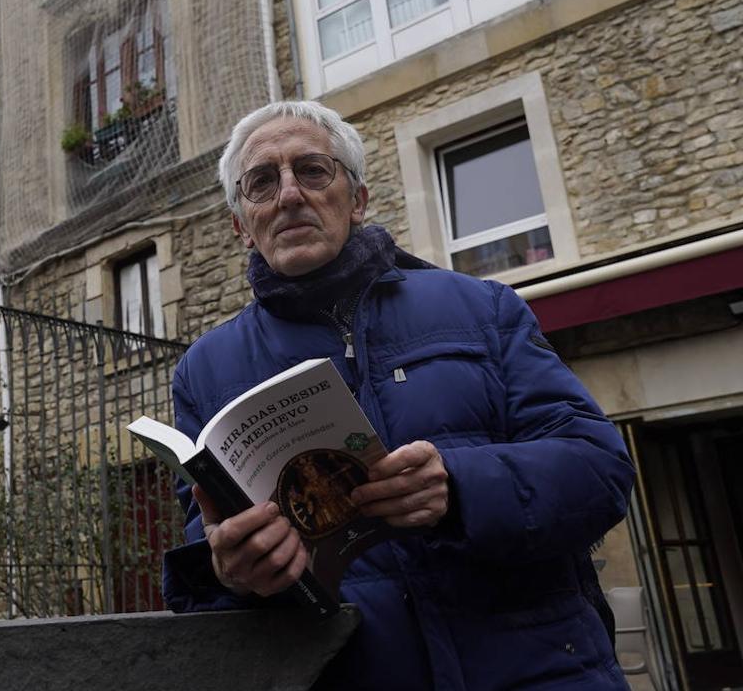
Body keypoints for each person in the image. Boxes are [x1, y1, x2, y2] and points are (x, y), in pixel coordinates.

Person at [161, 101, 635, 690]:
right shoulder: (204, 371)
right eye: (261, 182)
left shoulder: (482, 308)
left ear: (357, 200)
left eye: (312, 171)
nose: (288, 195)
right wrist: (228, 572)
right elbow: (207, 568)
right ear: (241, 223)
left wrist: (459, 488)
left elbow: (601, 468)